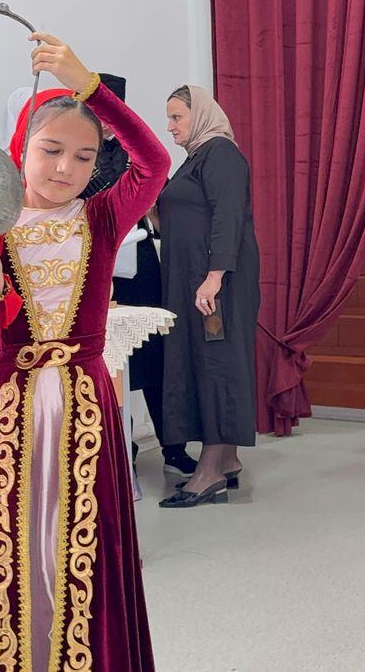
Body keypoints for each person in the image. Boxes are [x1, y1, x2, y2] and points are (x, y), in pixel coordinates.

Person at [0, 35, 167, 672]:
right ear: (21, 147)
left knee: (79, 553)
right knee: (0, 552)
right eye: (51, 150)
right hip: (3, 408)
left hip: (83, 408)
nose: (65, 169)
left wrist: (89, 87)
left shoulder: (102, 219)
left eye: (83, 156)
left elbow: (154, 162)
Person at [82, 74, 197, 478]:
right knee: (110, 362)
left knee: (156, 359)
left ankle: (173, 447)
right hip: (97, 267)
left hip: (142, 266)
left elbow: (160, 205)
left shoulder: (136, 152)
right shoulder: (81, 152)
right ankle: (122, 445)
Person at [156, 85, 260, 508]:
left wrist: (214, 276)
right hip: (194, 281)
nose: (170, 126)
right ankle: (228, 459)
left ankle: (210, 471)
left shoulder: (220, 153)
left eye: (177, 117)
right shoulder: (195, 159)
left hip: (216, 285)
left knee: (217, 363)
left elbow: (227, 217)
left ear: (198, 115)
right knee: (205, 360)